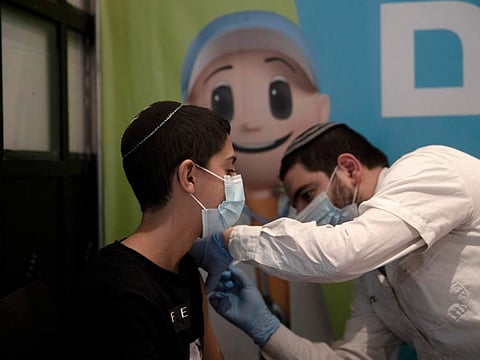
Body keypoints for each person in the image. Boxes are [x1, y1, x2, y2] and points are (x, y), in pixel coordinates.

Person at [193, 121, 480, 359]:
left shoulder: (429, 169)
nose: (304, 216)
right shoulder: (374, 279)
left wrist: (229, 239)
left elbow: (346, 252)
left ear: (350, 168)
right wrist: (266, 329)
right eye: (298, 206)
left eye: (308, 195)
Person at [62, 101, 245, 359]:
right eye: (229, 170)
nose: (234, 181)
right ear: (189, 176)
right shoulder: (120, 294)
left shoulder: (187, 270)